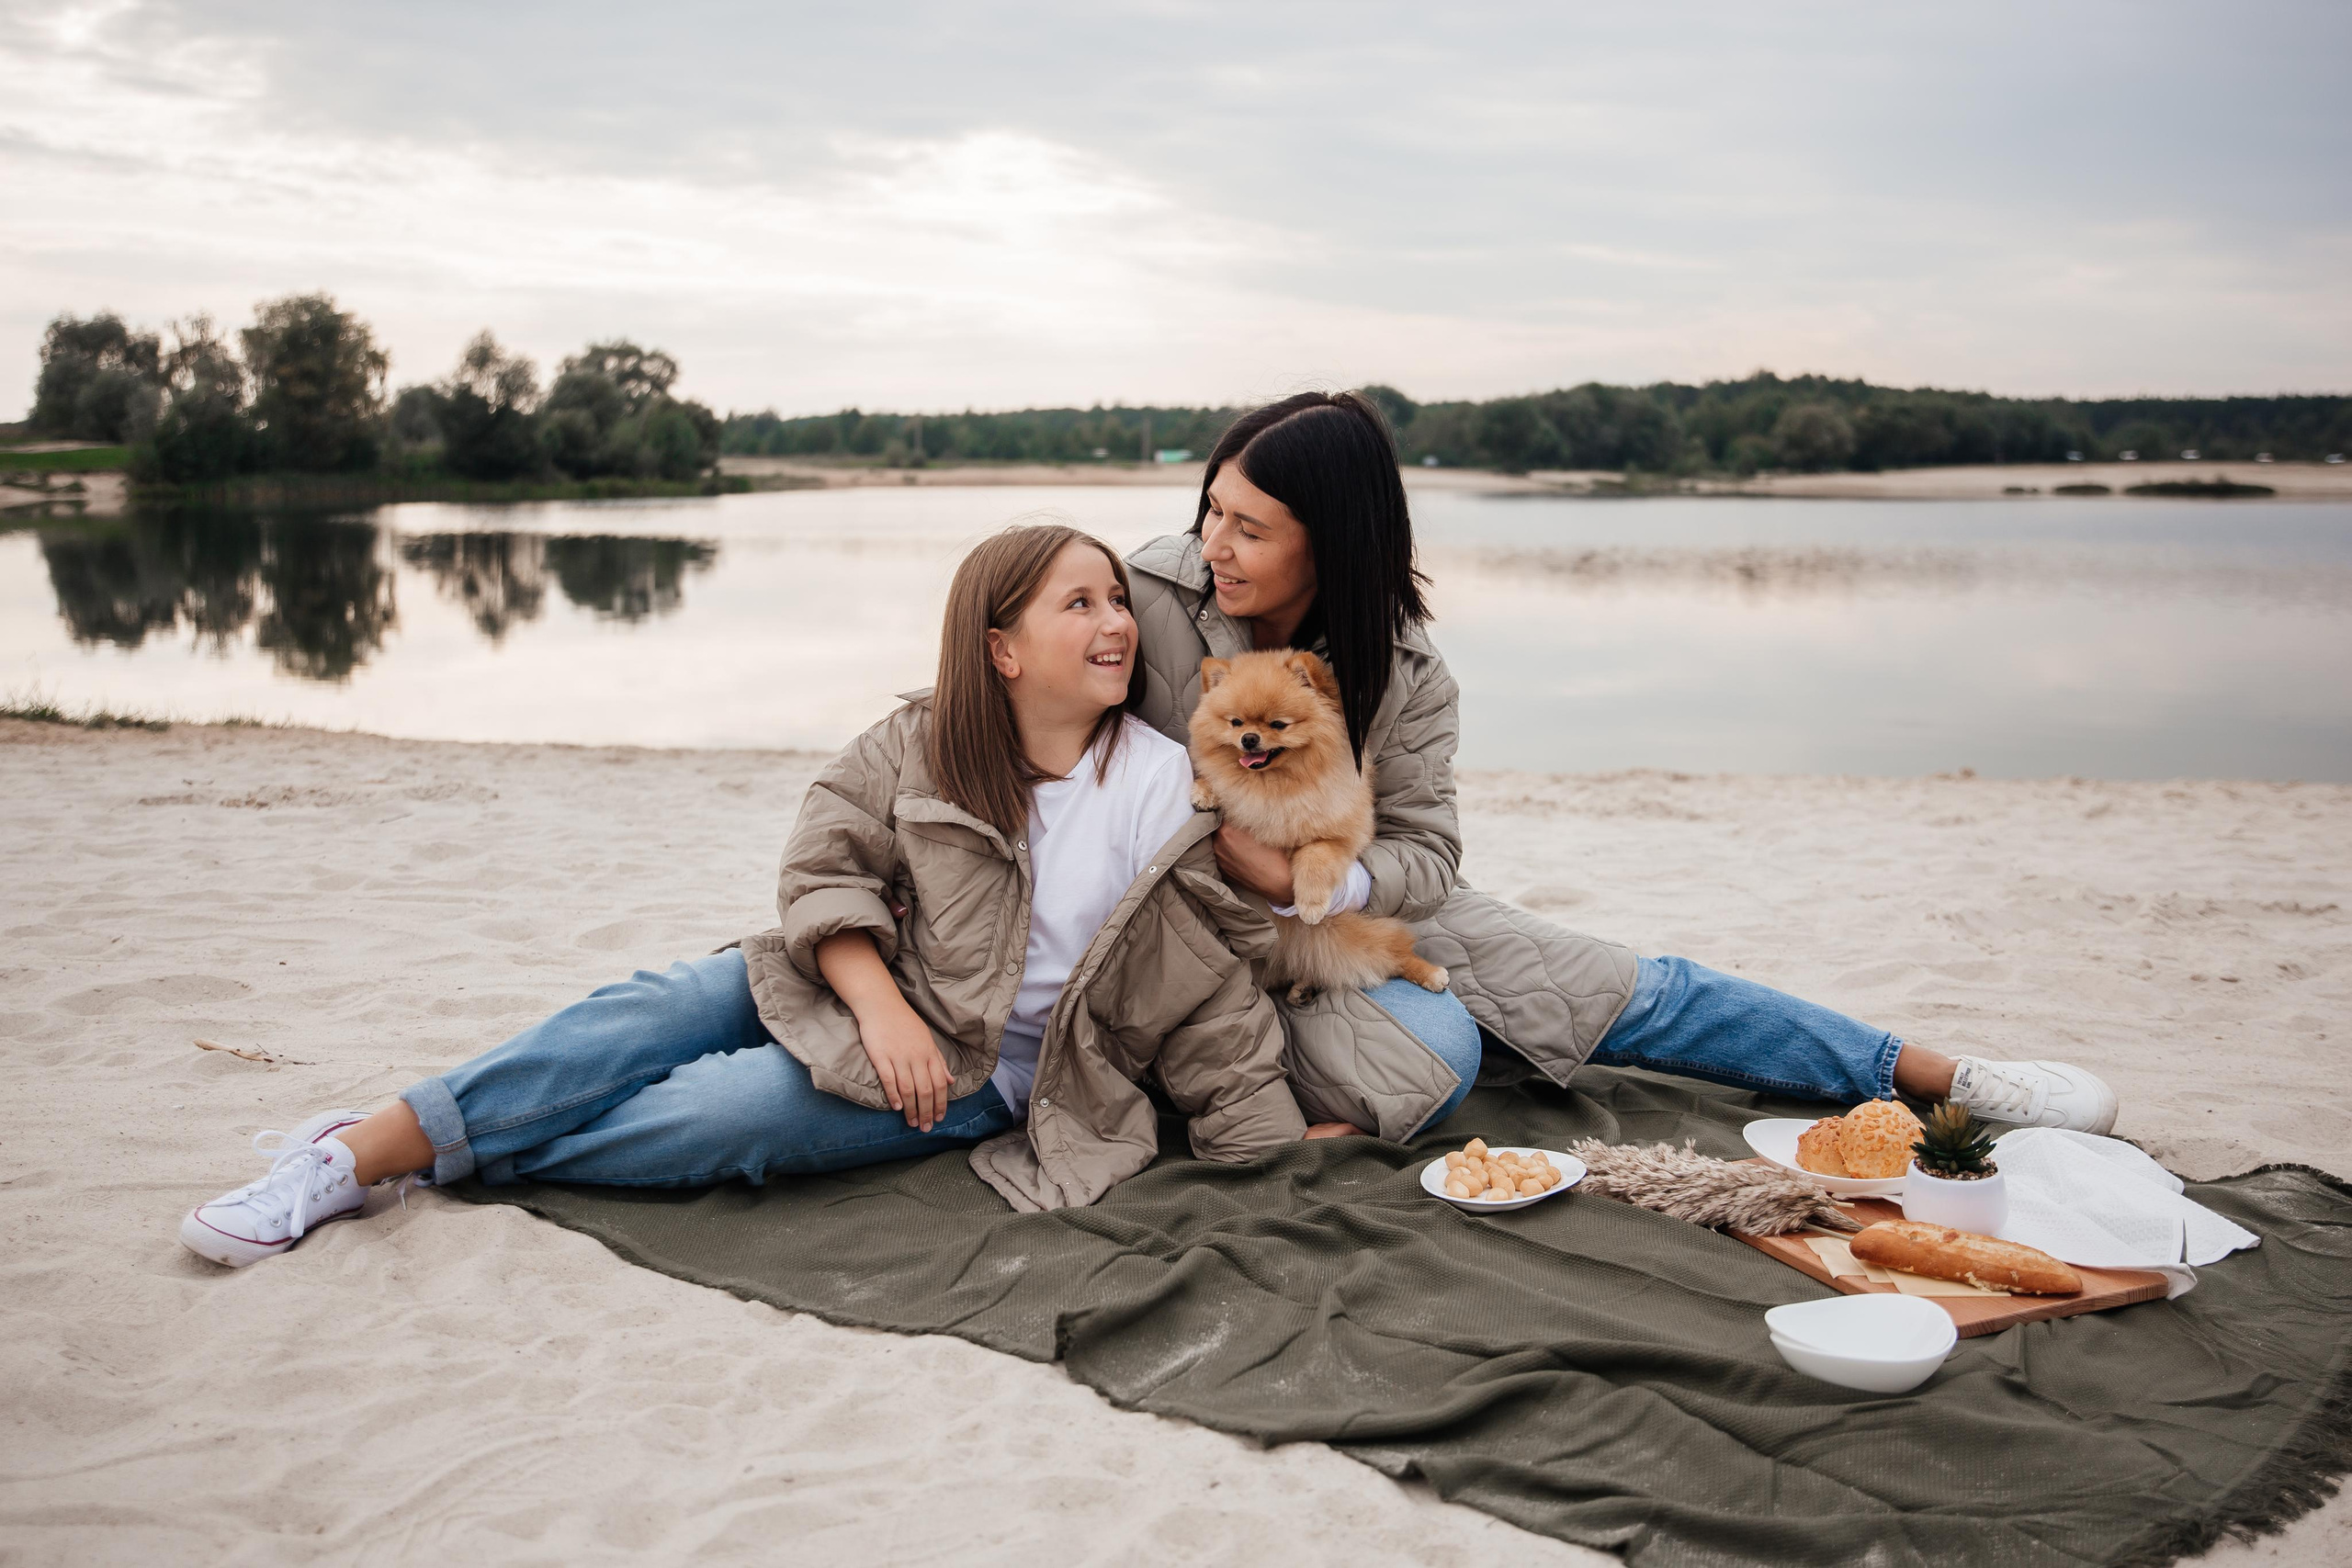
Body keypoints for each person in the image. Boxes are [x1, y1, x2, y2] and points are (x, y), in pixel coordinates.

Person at [181, 523, 1317, 1268]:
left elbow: (1204, 987)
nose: (1117, 623)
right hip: (844, 974)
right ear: (1002, 647)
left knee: (718, 1122)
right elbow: (821, 873)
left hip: (988, 1067)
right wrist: (875, 1000)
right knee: (641, 1015)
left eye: (1117, 600)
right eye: (1080, 605)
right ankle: (349, 1157)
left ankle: (407, 1145)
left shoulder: (1169, 784)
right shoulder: (916, 741)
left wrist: (1267, 1154)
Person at [1125, 391, 2120, 1141]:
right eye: (1212, 510)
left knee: (1638, 988)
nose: (1213, 541)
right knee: (1445, 1054)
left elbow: (1428, 854)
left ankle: (1936, 1075)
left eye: (1247, 527)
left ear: (1332, 541)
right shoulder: (1145, 598)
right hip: (1189, 948)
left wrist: (1324, 880)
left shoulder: (1409, 672)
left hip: (1353, 917)